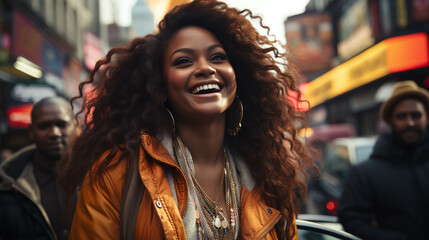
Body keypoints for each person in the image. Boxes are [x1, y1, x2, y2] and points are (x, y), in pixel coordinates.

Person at [61, 1, 316, 239]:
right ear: (159, 86)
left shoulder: (267, 175)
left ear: (238, 74)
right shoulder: (114, 175)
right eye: (183, 61)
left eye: (218, 57)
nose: (206, 68)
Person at [338, 80, 429, 240]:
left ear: (426, 117)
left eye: (416, 115)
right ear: (390, 121)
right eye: (401, 116)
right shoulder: (365, 173)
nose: (410, 122)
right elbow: (352, 220)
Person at [0, 96, 77, 240]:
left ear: (76, 127)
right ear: (31, 132)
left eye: (62, 124)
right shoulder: (7, 184)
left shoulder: (98, 178)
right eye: (44, 126)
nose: (54, 133)